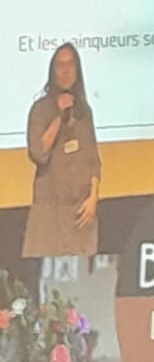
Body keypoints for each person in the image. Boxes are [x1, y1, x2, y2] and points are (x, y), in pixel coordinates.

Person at [23, 43, 102, 273]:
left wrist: (93, 198)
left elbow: (93, 160)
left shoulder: (84, 110)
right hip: (50, 214)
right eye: (60, 65)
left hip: (81, 214)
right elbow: (38, 153)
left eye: (71, 64)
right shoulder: (40, 109)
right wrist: (59, 115)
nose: (66, 70)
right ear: (53, 71)